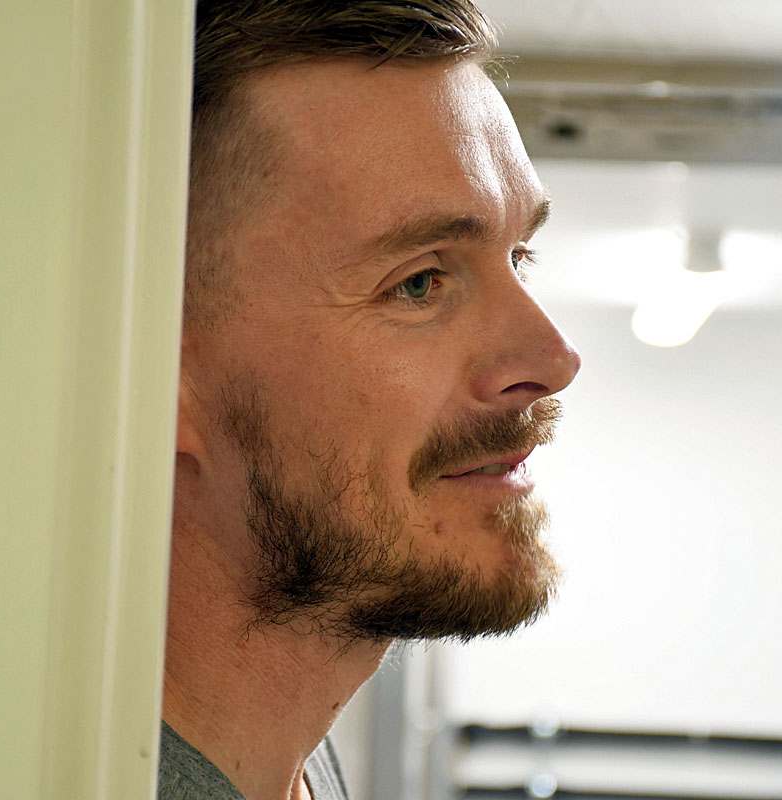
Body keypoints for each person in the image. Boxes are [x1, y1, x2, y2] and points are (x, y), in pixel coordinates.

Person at [161, 1, 581, 798]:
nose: (553, 361)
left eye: (520, 256)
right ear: (160, 377)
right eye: (419, 282)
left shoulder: (293, 762)